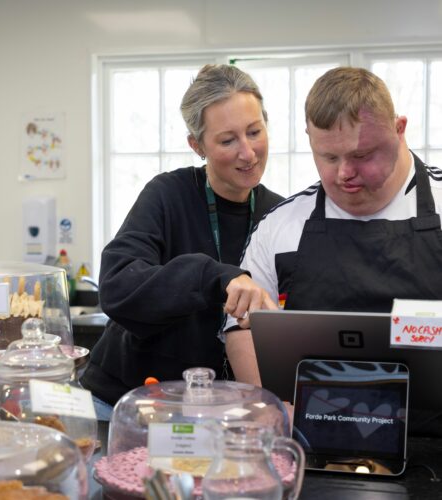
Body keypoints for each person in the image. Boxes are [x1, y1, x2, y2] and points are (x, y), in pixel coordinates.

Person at [80, 64, 283, 419]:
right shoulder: (167, 195)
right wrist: (213, 276)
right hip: (127, 405)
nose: (248, 153)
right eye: (227, 140)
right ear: (196, 145)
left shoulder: (279, 214)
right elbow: (117, 284)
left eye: (255, 131)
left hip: (222, 412)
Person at [224, 66, 442, 387]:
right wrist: (275, 409)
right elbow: (241, 327)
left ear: (399, 130)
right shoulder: (280, 227)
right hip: (310, 428)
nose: (344, 173)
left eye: (362, 155)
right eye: (328, 157)